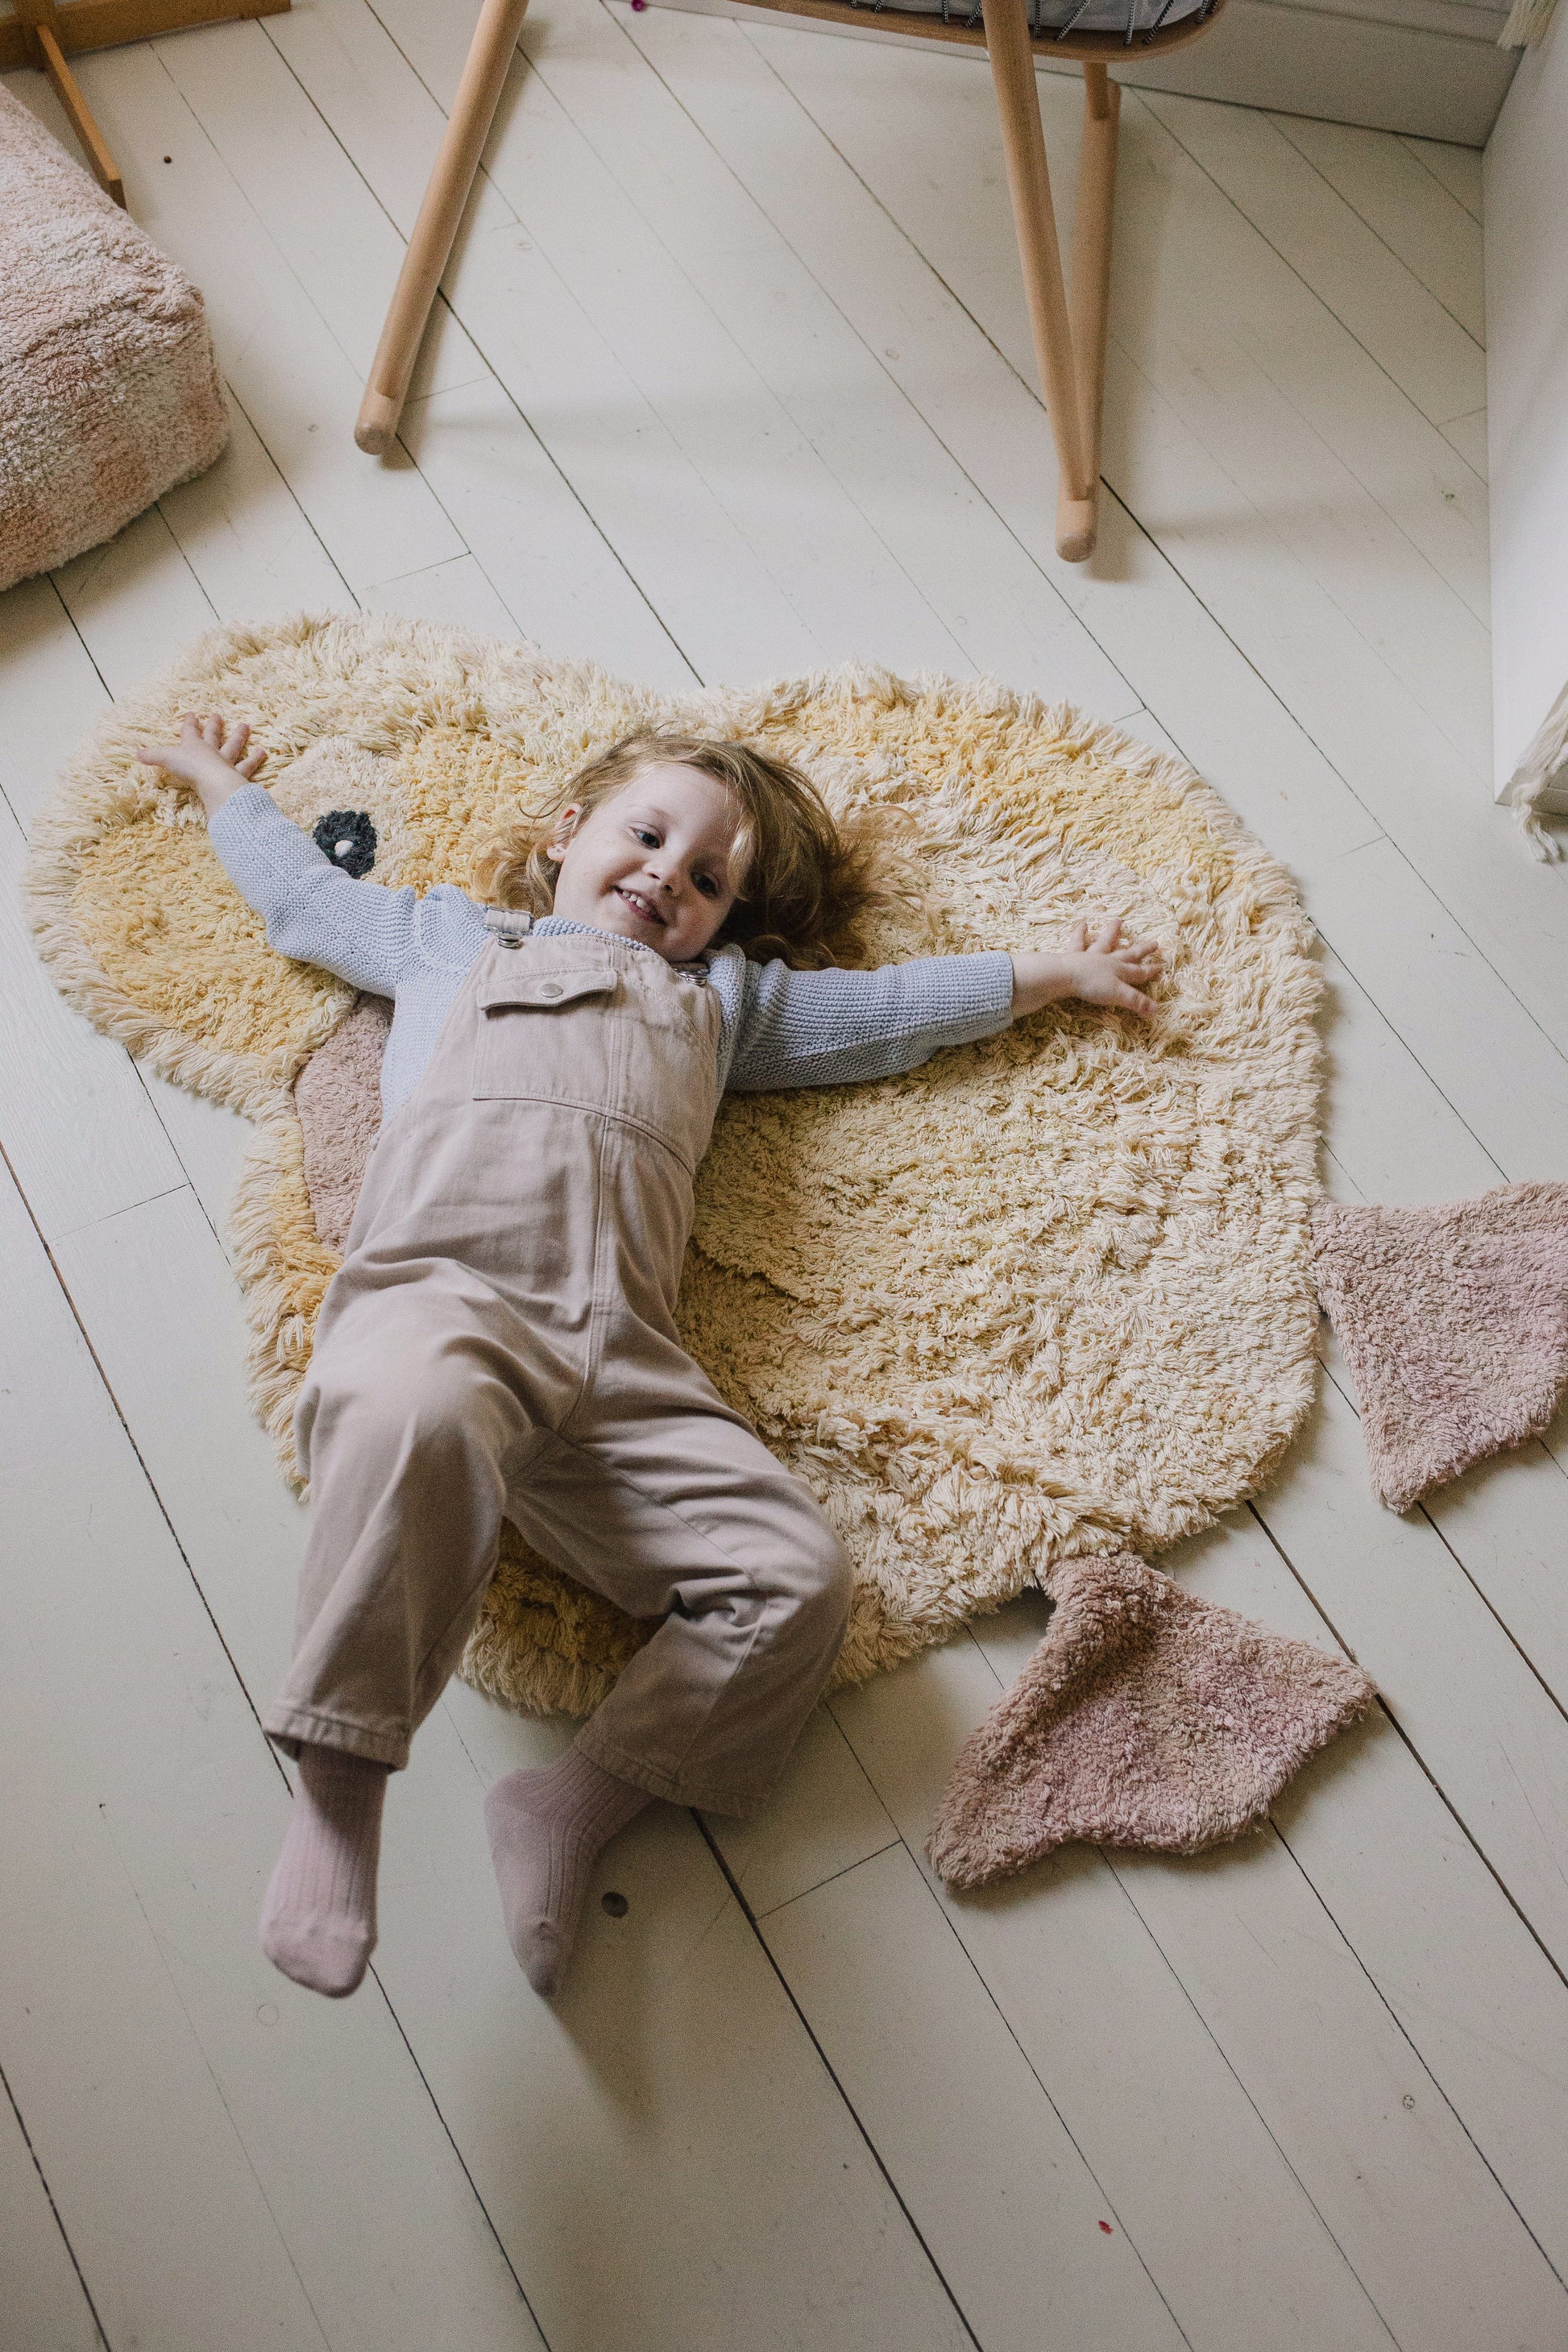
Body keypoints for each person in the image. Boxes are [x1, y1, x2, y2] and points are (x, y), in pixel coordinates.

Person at [138, 711, 1163, 2002]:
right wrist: (228, 780)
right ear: (565, 836)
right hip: (446, 1298)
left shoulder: (724, 1008)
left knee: (791, 1581)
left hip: (623, 1362)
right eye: (646, 834)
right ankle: (341, 1791)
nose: (665, 878)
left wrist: (1047, 974)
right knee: (413, 1414)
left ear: (724, 923)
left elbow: (886, 1010)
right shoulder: (451, 938)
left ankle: (565, 1808)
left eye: (706, 882)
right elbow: (300, 902)